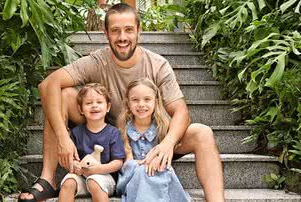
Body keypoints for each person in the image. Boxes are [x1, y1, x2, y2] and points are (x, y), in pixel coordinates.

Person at [18, 3, 224, 202]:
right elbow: (48, 85)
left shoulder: (158, 65)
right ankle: (47, 178)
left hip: (153, 142)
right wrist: (64, 138)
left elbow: (181, 111)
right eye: (115, 30)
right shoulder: (98, 61)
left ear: (139, 31)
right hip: (111, 140)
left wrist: (168, 144)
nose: (122, 37)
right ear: (105, 32)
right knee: (60, 95)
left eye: (128, 30)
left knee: (202, 133)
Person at [116, 78, 191, 201]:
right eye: (135, 100)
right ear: (128, 103)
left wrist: (157, 161)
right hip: (132, 178)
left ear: (155, 102)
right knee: (142, 172)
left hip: (159, 173)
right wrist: (143, 165)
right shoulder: (123, 130)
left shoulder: (163, 127)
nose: (141, 104)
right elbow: (127, 164)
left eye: (147, 99)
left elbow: (165, 158)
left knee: (162, 171)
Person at [58, 83, 125, 202]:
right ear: (81, 109)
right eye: (88, 103)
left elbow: (118, 163)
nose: (94, 106)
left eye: (99, 102)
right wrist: (74, 165)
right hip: (81, 176)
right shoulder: (76, 132)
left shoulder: (113, 132)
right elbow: (70, 158)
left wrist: (98, 169)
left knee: (94, 183)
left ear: (108, 107)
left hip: (105, 177)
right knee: (68, 183)